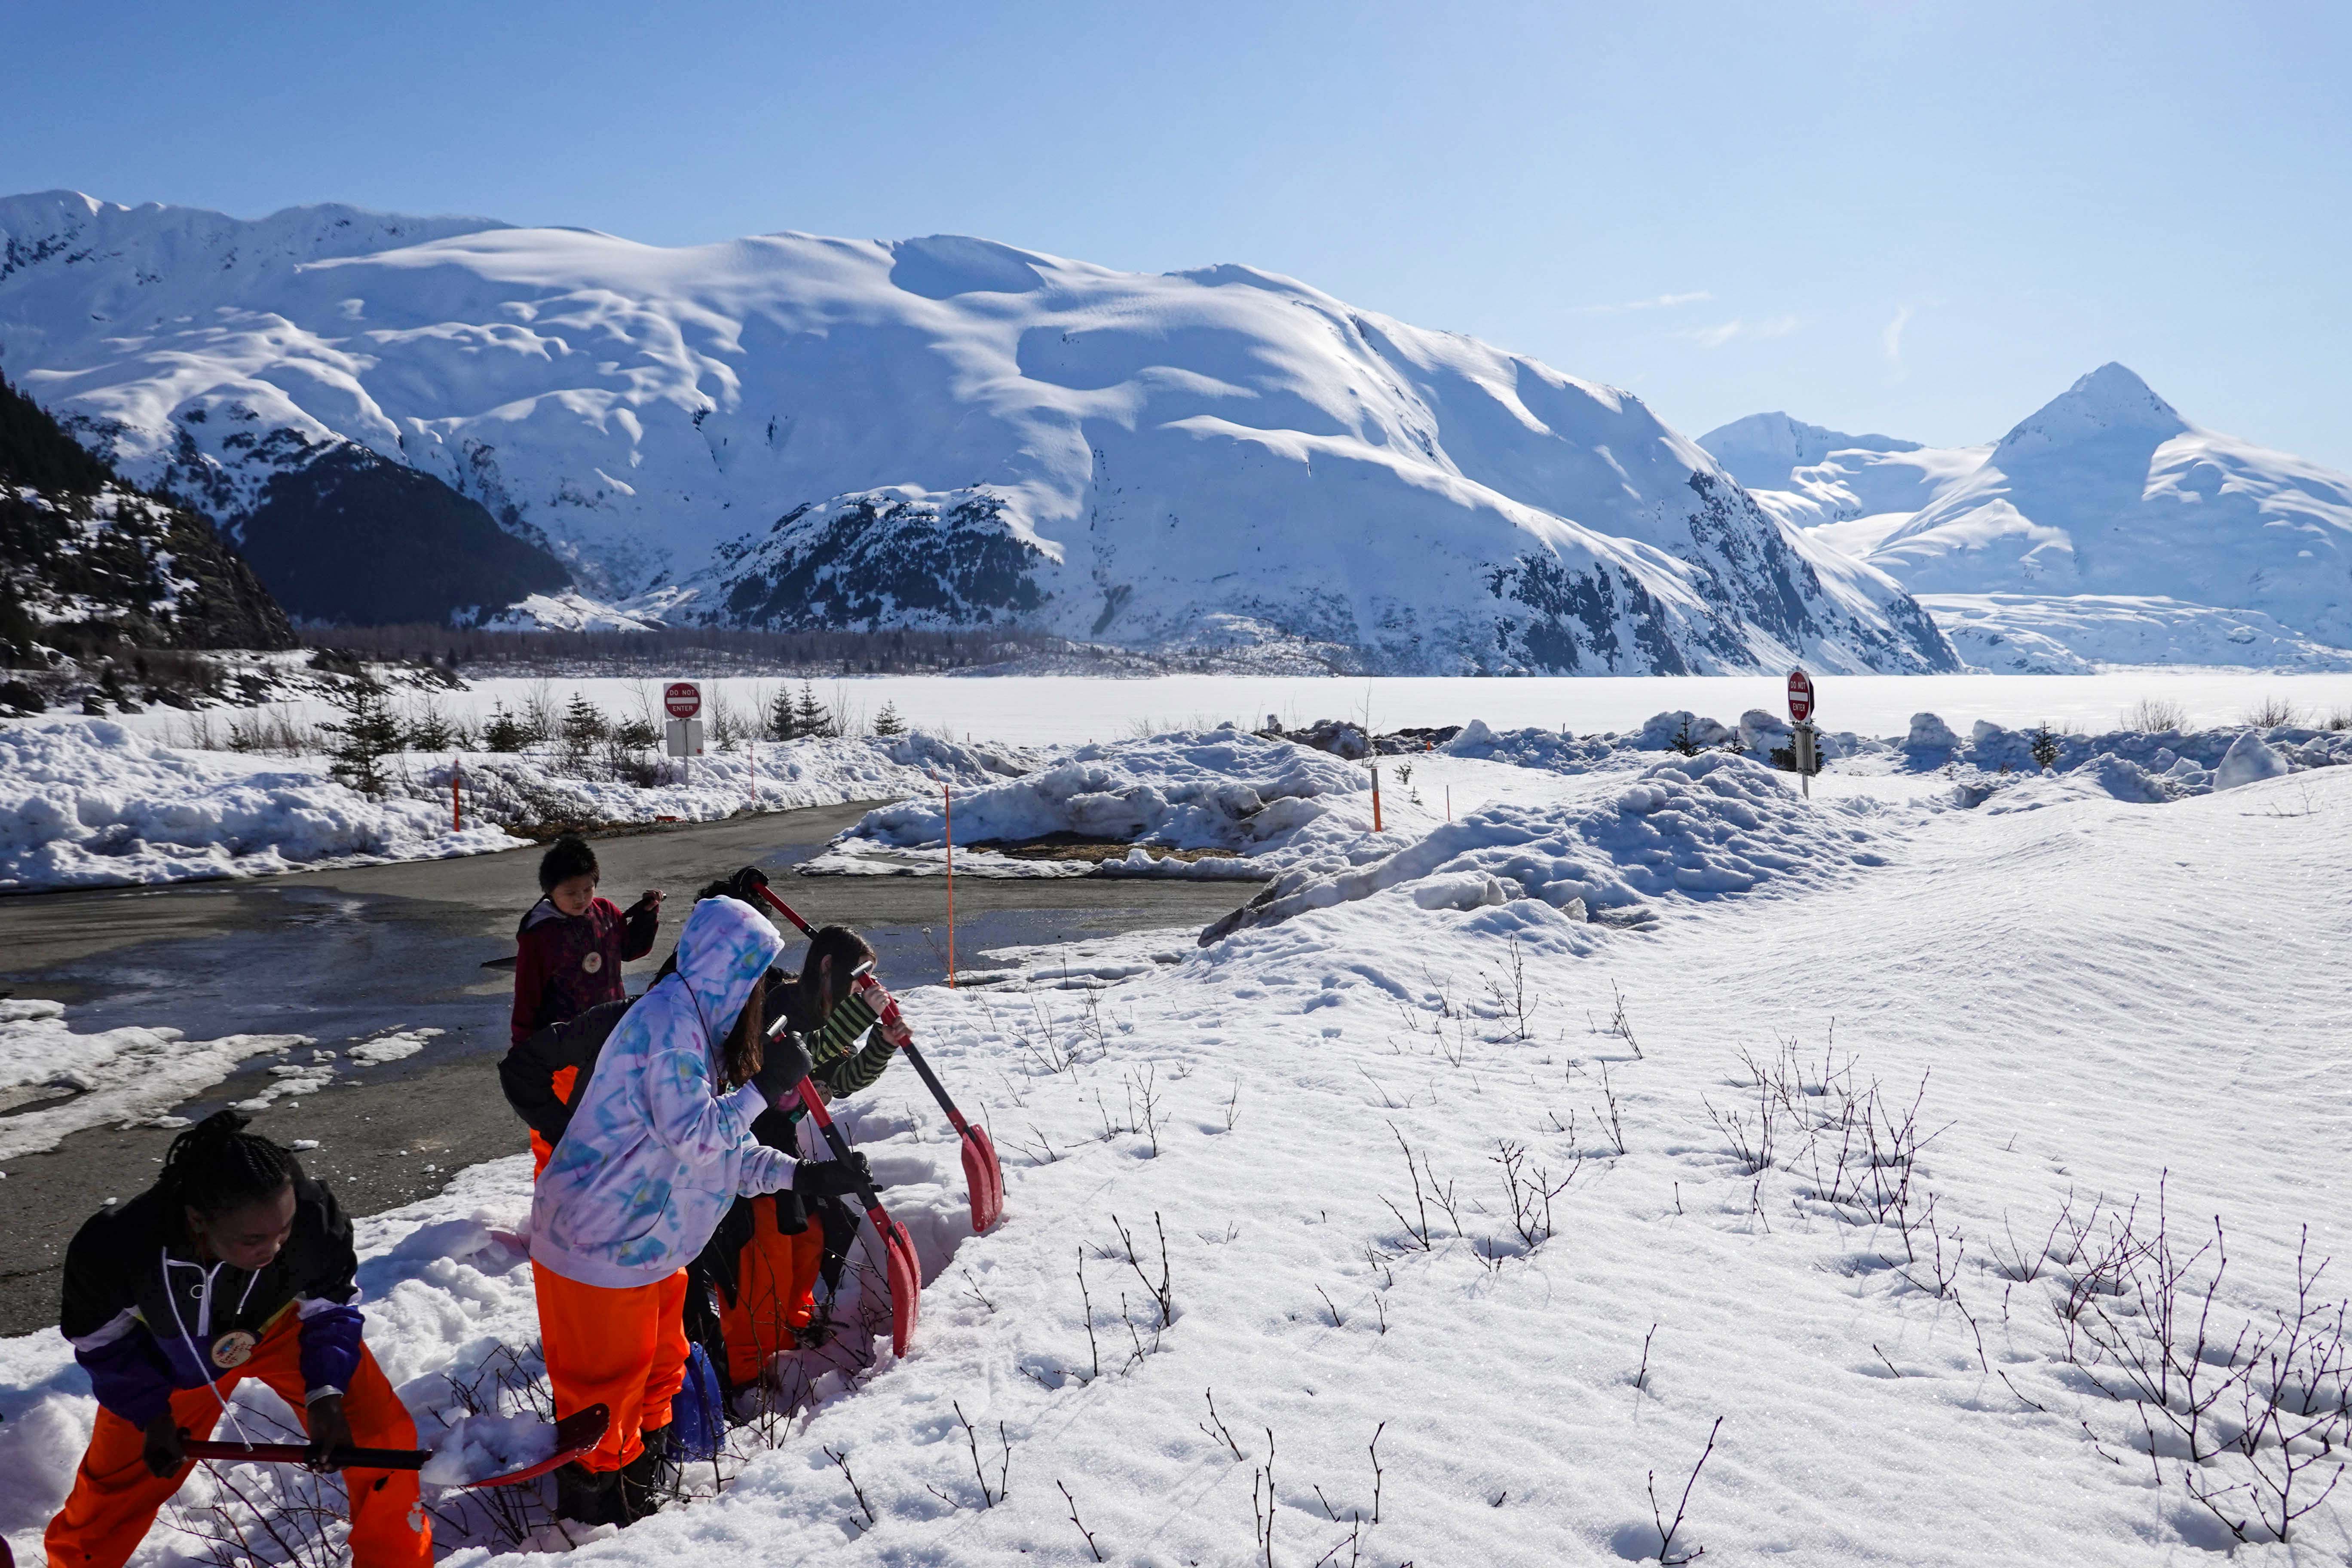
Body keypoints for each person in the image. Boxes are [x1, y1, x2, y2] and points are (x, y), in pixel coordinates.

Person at [529, 894, 871, 1526]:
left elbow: (727, 1153)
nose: (760, 1002)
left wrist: (808, 1175)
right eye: (754, 984)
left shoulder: (697, 1032)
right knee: (609, 1404)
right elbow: (698, 1137)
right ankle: (599, 1522)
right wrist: (763, 1089)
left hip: (649, 1246)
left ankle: (642, 1502)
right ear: (729, 977)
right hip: (597, 1246)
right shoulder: (668, 1032)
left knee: (659, 1376)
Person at [46, 1113, 430, 1568]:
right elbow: (102, 1344)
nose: (274, 1248)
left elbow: (331, 1306)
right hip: (167, 1358)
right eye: (253, 1239)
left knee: (379, 1438)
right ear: (198, 1221)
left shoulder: (311, 1214)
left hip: (285, 1329)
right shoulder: (117, 1248)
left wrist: (326, 1393)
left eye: (284, 1230)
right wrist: (150, 1415)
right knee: (117, 1488)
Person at [510, 834, 662, 1171]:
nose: (581, 899)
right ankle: (554, 1200)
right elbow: (527, 994)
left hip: (608, 1037)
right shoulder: (540, 935)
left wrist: (648, 916)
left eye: (587, 889)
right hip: (562, 1047)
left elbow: (630, 949)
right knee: (561, 1132)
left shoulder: (605, 912)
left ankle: (599, 1194)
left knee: (608, 1123)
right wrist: (524, 1048)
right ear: (550, 892)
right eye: (570, 893)